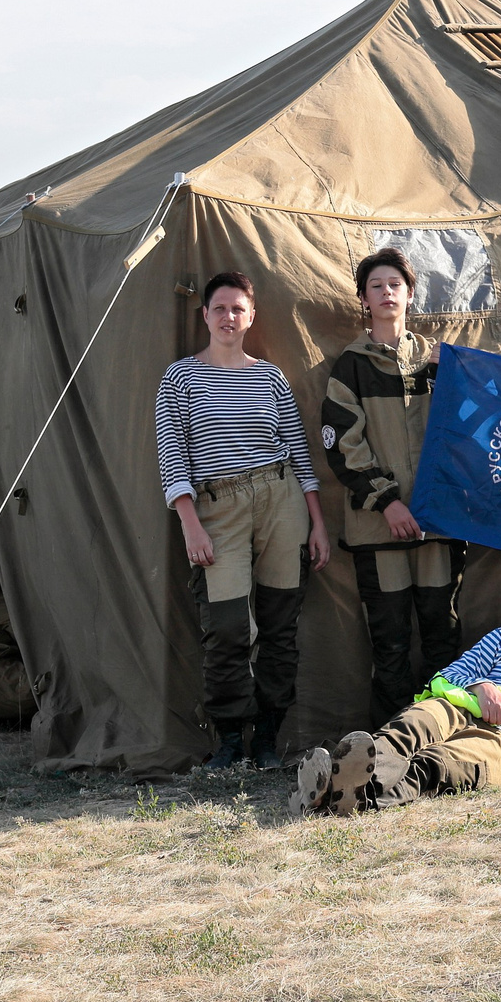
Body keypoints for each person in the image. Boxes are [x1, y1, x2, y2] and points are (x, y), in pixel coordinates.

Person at [157, 270, 331, 772]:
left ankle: (270, 739)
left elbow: (299, 451)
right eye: (220, 309)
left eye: (238, 309)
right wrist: (189, 522)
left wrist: (317, 523)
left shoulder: (270, 376)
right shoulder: (180, 377)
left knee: (280, 624)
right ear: (205, 316)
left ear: (251, 316)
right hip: (217, 509)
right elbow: (172, 454)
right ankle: (231, 738)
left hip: (280, 502)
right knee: (228, 628)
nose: (229, 317)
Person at [292, 560, 501, 815]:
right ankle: (343, 781)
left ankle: (343, 793)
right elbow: (449, 675)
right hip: (461, 708)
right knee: (415, 722)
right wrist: (481, 686)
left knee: (439, 765)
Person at [322, 248, 466, 716]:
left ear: (410, 294)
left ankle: (443, 737)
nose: (387, 293)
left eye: (395, 285)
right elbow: (343, 446)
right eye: (377, 285)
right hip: (378, 531)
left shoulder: (439, 362)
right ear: (364, 298)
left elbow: (467, 431)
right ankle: (390, 744)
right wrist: (388, 503)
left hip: (436, 528)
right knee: (390, 642)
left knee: (441, 636)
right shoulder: (350, 366)